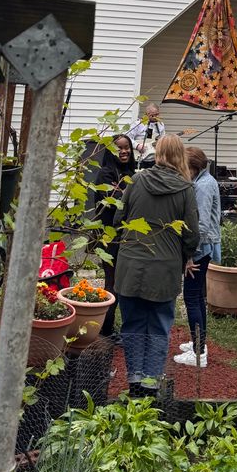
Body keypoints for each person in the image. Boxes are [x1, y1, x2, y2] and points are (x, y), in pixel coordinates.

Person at [114, 134, 199, 394]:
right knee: (159, 325)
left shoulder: (137, 180)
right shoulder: (185, 189)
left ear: (158, 153)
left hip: (130, 265)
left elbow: (119, 219)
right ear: (180, 156)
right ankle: (151, 383)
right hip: (165, 267)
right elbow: (192, 234)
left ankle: (135, 381)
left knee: (132, 324)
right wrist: (186, 255)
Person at [173, 146, 222, 368]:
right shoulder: (206, 180)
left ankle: (198, 352)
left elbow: (200, 225)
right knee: (198, 298)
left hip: (199, 249)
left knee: (191, 297)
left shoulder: (202, 186)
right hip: (204, 247)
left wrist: (190, 255)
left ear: (193, 167)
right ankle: (199, 342)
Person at [94, 134, 137, 338]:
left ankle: (110, 326)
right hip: (108, 236)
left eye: (127, 147)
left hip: (124, 236)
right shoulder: (105, 174)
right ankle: (106, 330)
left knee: (120, 283)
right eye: (119, 148)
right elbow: (117, 202)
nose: (124, 151)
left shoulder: (129, 173)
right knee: (112, 283)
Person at [128, 102, 166, 167]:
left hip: (153, 158)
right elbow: (128, 138)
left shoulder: (161, 125)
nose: (156, 117)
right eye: (153, 115)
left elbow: (163, 141)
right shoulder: (138, 124)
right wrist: (137, 146)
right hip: (138, 157)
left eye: (157, 114)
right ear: (146, 114)